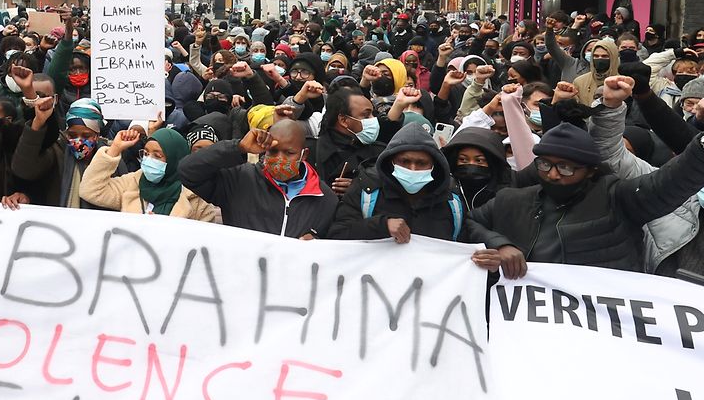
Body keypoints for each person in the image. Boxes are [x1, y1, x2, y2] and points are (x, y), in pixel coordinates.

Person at [469, 76, 704, 277]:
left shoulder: (617, 198)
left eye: (566, 167)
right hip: (527, 321)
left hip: (599, 323)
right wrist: (498, 244)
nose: (552, 174)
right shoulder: (512, 200)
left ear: (590, 170)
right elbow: (467, 224)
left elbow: (669, 183)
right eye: (544, 164)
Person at [179, 119, 337, 238]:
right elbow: (188, 171)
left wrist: (317, 241)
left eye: (289, 153)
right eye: (273, 152)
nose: (280, 159)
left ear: (305, 155)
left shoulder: (325, 198)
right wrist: (238, 147)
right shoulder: (240, 180)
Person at [329, 123, 473, 242]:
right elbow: (337, 234)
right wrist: (382, 225)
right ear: (391, 161)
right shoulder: (367, 190)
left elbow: (464, 250)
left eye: (421, 163)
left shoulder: (453, 201)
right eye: (404, 161)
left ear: (434, 166)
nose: (412, 169)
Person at [80, 126, 220, 220]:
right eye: (146, 153)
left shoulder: (196, 200)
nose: (148, 160)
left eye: (157, 156)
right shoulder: (133, 183)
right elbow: (90, 190)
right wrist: (115, 148)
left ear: (175, 160)